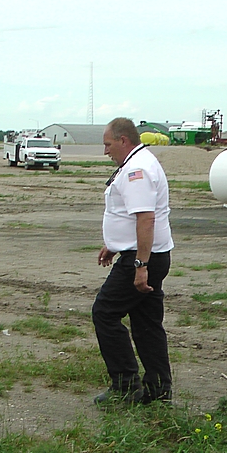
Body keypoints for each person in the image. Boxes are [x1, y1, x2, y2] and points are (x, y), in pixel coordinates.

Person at [92, 117, 175, 405]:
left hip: (143, 260)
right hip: (150, 254)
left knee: (104, 312)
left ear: (123, 140)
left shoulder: (137, 169)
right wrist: (114, 245)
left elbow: (145, 218)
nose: (106, 151)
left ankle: (126, 384)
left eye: (108, 144)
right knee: (147, 324)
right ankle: (158, 389)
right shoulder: (139, 162)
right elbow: (134, 217)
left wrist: (140, 265)